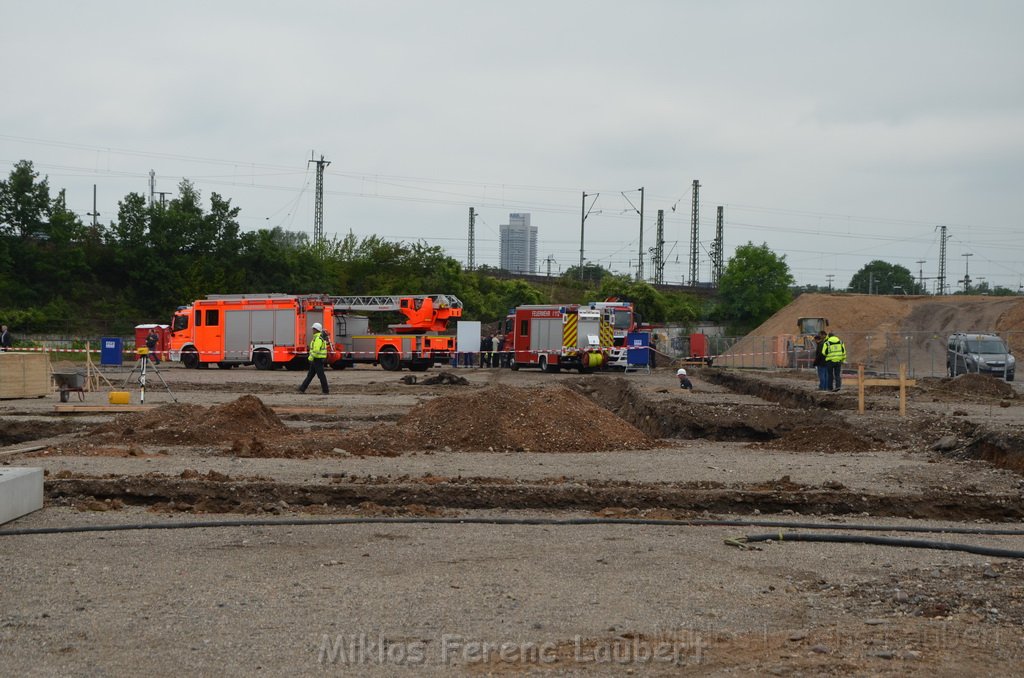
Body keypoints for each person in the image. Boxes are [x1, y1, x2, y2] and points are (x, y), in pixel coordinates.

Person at [298, 322, 330, 394]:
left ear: (316, 330)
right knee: (311, 375)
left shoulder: (318, 339)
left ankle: (325, 390)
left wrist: (310, 358)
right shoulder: (318, 338)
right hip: (317, 359)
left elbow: (316, 350)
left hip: (317, 359)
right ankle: (302, 389)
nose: (312, 330)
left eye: (313, 329)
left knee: (320, 375)